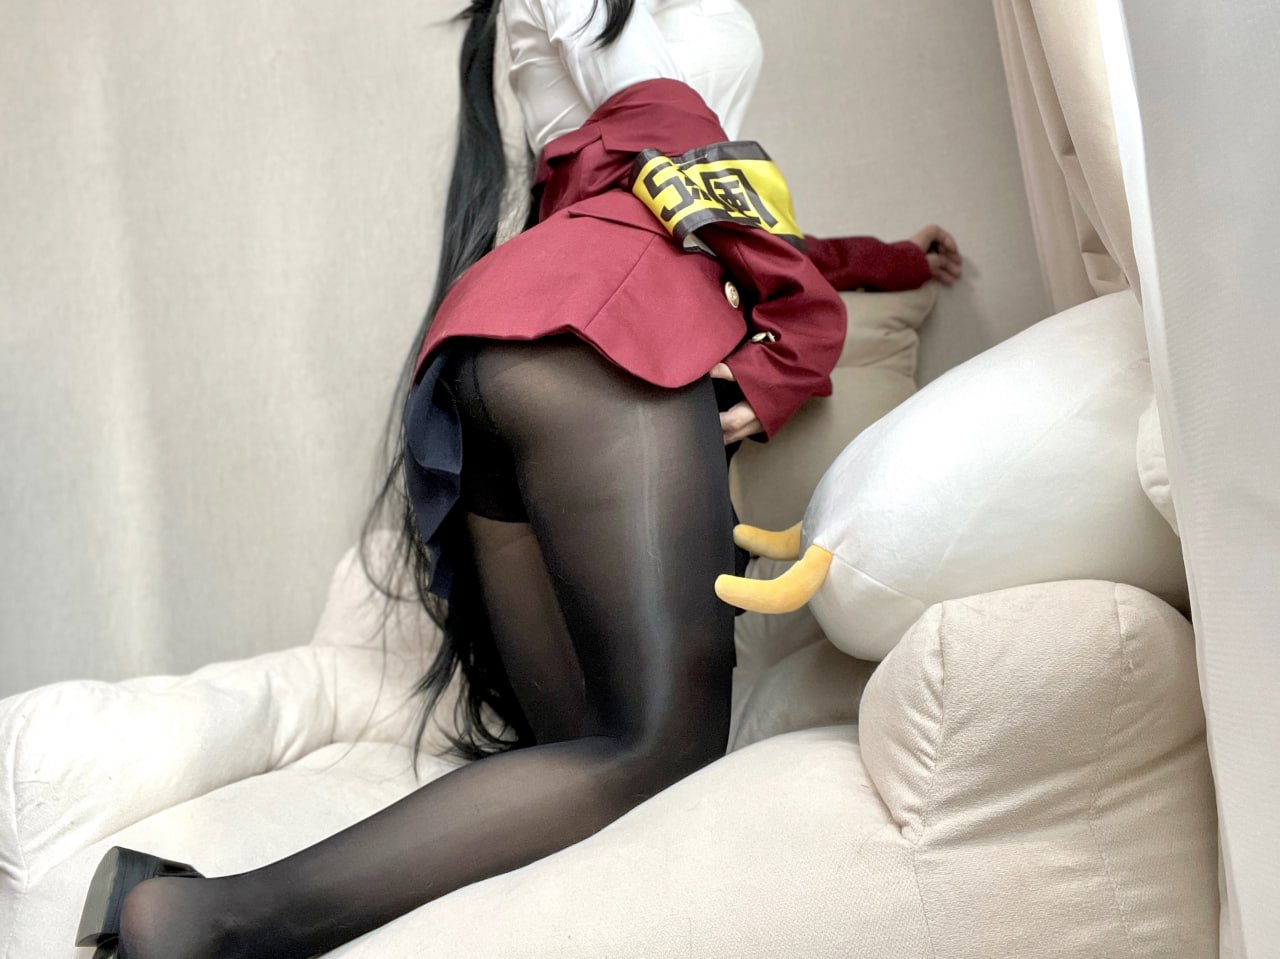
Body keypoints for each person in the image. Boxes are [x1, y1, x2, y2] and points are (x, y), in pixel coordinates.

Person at [75, 2, 961, 956]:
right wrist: (795, 340)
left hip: (514, 338)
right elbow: (671, 134)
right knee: (661, 749)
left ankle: (189, 911)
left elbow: (689, 197)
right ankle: (208, 922)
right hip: (596, 331)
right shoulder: (642, 83)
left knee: (594, 755)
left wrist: (885, 262)